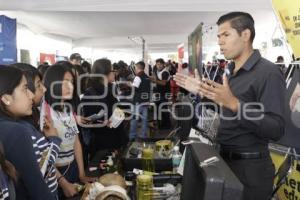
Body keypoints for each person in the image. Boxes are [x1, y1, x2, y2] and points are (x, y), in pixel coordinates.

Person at [175, 12, 285, 200]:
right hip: (223, 162)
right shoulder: (231, 71)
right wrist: (202, 92)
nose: (220, 42)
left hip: (250, 171)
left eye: (226, 35)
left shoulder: (268, 73)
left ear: (245, 35)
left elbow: (276, 128)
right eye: (218, 36)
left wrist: (235, 104)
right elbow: (224, 107)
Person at [0, 66, 56, 199]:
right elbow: (38, 189)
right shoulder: (17, 131)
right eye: (25, 89)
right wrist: (54, 139)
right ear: (6, 98)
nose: (31, 95)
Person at [43, 64, 94, 199]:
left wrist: (81, 174)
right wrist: (63, 183)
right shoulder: (45, 113)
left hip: (72, 168)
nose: (70, 87)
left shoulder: (68, 108)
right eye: (65, 82)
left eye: (71, 82)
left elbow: (76, 141)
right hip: (55, 174)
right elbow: (43, 157)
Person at [12, 63, 62, 197]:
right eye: (39, 84)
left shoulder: (31, 118)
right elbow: (41, 169)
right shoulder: (21, 130)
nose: (45, 89)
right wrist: (53, 140)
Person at [81, 58, 128, 160]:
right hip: (102, 143)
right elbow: (87, 120)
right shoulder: (91, 93)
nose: (114, 73)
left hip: (116, 139)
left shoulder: (110, 88)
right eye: (112, 70)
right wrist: (101, 122)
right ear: (105, 73)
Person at [129, 61, 151, 141]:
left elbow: (135, 88)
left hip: (138, 101)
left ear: (137, 68)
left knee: (134, 119)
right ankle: (143, 135)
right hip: (146, 101)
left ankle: (132, 136)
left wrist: (130, 85)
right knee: (144, 120)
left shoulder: (138, 77)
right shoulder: (147, 76)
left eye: (135, 67)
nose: (134, 69)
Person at [150, 58, 171, 129]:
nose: (158, 66)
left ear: (163, 64)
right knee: (158, 109)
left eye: (160, 64)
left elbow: (163, 83)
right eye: (157, 64)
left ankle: (167, 125)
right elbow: (156, 80)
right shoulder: (157, 71)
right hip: (158, 93)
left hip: (164, 94)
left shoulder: (165, 72)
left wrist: (155, 80)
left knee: (164, 109)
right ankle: (161, 124)